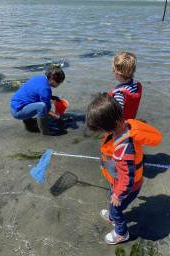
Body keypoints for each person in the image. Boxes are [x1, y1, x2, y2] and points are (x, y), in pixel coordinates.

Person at [86, 93, 162, 244]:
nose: (99, 134)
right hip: (119, 182)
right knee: (112, 196)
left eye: (99, 131)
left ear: (110, 126)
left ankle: (122, 233)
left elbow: (127, 178)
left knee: (116, 208)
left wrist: (119, 195)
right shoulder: (125, 125)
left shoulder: (123, 149)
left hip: (128, 187)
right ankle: (112, 214)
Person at [10, 66, 72, 135]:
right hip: (18, 112)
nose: (59, 84)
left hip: (14, 106)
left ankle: (28, 122)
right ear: (51, 78)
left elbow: (35, 92)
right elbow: (47, 111)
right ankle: (45, 132)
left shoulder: (40, 78)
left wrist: (51, 97)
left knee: (32, 99)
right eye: (58, 82)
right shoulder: (46, 89)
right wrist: (59, 118)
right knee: (42, 107)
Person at [109, 52, 142, 120]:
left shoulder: (119, 94)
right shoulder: (136, 86)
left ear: (117, 72)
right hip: (131, 119)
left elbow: (117, 115)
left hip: (121, 125)